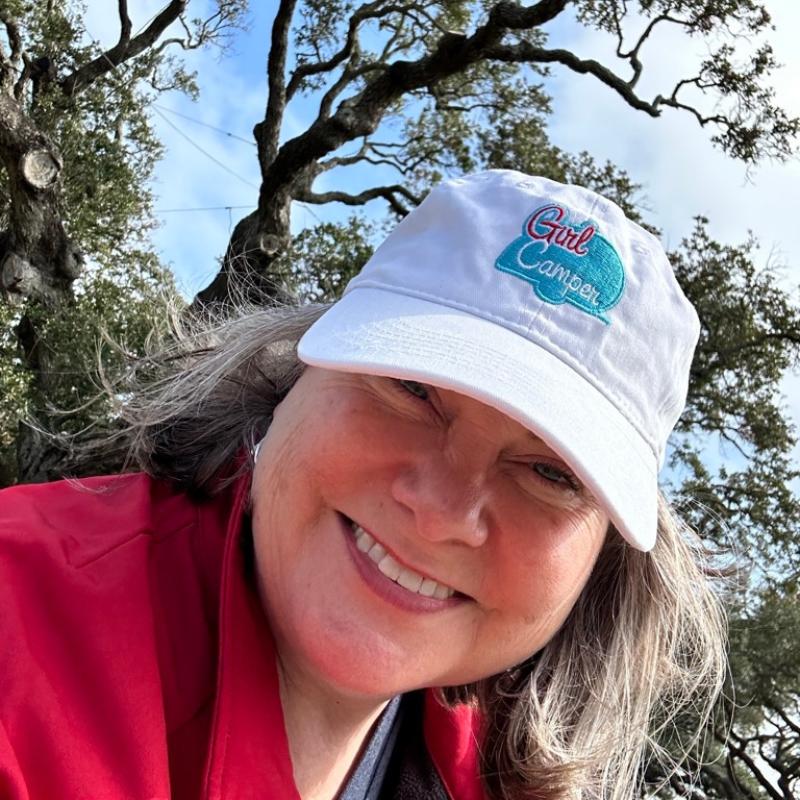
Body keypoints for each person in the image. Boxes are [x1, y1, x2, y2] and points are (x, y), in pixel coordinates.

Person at [0, 170, 726, 800]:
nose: (443, 511)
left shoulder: (502, 776)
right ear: (293, 375)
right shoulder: (20, 622)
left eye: (549, 473)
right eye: (412, 388)